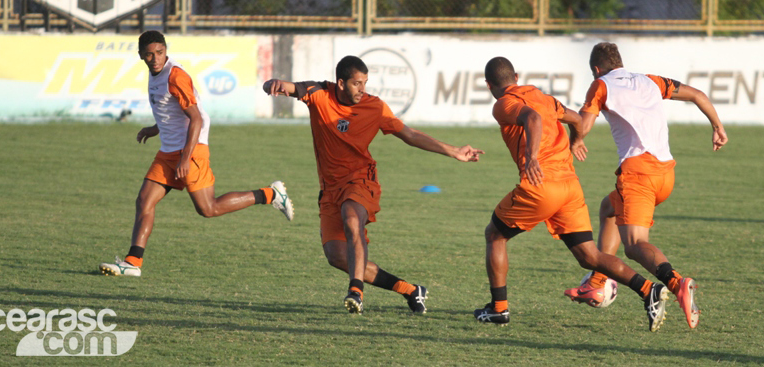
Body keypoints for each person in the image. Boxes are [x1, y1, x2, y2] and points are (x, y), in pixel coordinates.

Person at [263, 55, 483, 315]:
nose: (362, 89)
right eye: (357, 83)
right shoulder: (320, 94)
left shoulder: (374, 107)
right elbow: (284, 87)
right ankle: (410, 290)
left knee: (351, 217)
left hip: (361, 179)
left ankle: (355, 292)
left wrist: (454, 151)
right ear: (341, 83)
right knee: (337, 256)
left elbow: (410, 134)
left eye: (365, 83)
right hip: (330, 188)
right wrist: (273, 83)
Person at [475, 56, 669, 332]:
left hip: (542, 186)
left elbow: (531, 118)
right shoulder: (543, 97)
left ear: (488, 84)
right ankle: (648, 289)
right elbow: (576, 119)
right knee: (589, 256)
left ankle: (498, 309)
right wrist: (576, 140)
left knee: (495, 235)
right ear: (516, 77)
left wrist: (532, 157)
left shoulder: (503, 103)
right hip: (570, 187)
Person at [100, 30, 293, 277]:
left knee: (208, 208)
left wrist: (185, 158)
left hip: (190, 149)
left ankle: (271, 194)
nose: (155, 58)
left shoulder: (175, 76)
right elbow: (172, 110)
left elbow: (197, 118)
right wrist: (155, 128)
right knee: (144, 201)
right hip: (168, 151)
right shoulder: (156, 73)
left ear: (166, 50)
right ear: (141, 56)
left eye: (160, 52)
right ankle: (133, 263)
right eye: (149, 55)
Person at [564, 42, 728, 329]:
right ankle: (598, 280)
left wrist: (575, 139)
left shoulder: (601, 85)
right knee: (608, 209)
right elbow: (698, 95)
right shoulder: (650, 81)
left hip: (638, 175)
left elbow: (583, 124)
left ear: (596, 69)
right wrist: (717, 126)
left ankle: (677, 283)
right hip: (665, 174)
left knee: (635, 245)